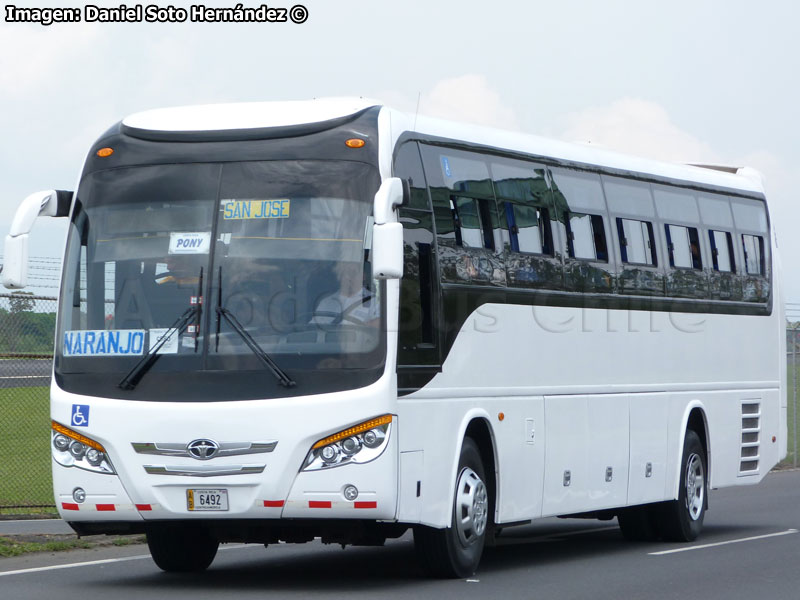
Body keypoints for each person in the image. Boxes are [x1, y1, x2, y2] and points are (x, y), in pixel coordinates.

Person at [312, 261, 378, 326]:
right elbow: (313, 328)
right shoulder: (326, 302)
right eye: (343, 273)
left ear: (363, 276)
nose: (347, 277)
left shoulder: (374, 301)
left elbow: (380, 327)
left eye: (352, 273)